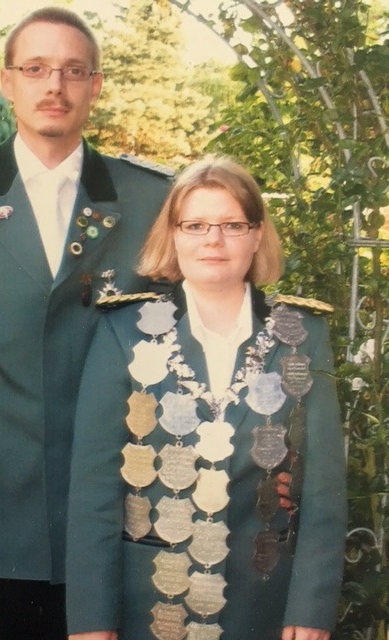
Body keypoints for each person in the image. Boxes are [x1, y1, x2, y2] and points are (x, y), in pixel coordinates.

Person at [0, 7, 174, 640]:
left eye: (73, 70)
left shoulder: (150, 197)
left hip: (122, 499)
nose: (54, 85)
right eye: (35, 68)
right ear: (6, 81)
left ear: (95, 85)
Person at [65, 156, 347, 640]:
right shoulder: (124, 332)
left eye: (232, 225)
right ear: (173, 235)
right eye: (195, 225)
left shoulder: (301, 335)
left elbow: (323, 487)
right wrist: (92, 620)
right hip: (148, 602)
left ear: (257, 235)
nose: (213, 240)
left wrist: (311, 608)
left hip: (263, 604)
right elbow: (93, 490)